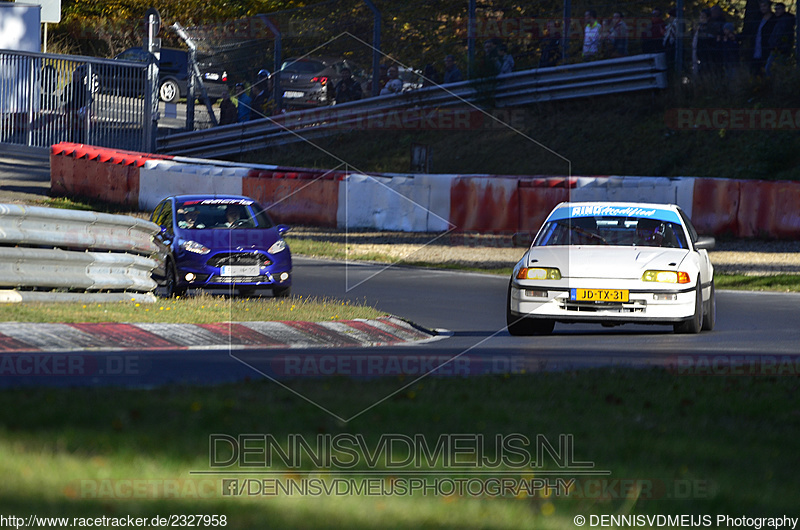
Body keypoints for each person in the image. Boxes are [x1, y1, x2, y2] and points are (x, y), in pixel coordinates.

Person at [766, 2, 795, 75]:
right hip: (778, 48)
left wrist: (776, 45)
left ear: (783, 9)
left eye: (778, 9)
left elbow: (781, 35)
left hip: (780, 49)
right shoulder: (780, 20)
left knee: (771, 69)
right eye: (775, 9)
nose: (776, 11)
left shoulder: (785, 21)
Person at [751, 0, 777, 76]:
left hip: (767, 48)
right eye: (761, 6)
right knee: (756, 72)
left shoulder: (774, 19)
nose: (762, 8)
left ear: (769, 6)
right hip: (756, 49)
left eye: (764, 6)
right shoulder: (758, 19)